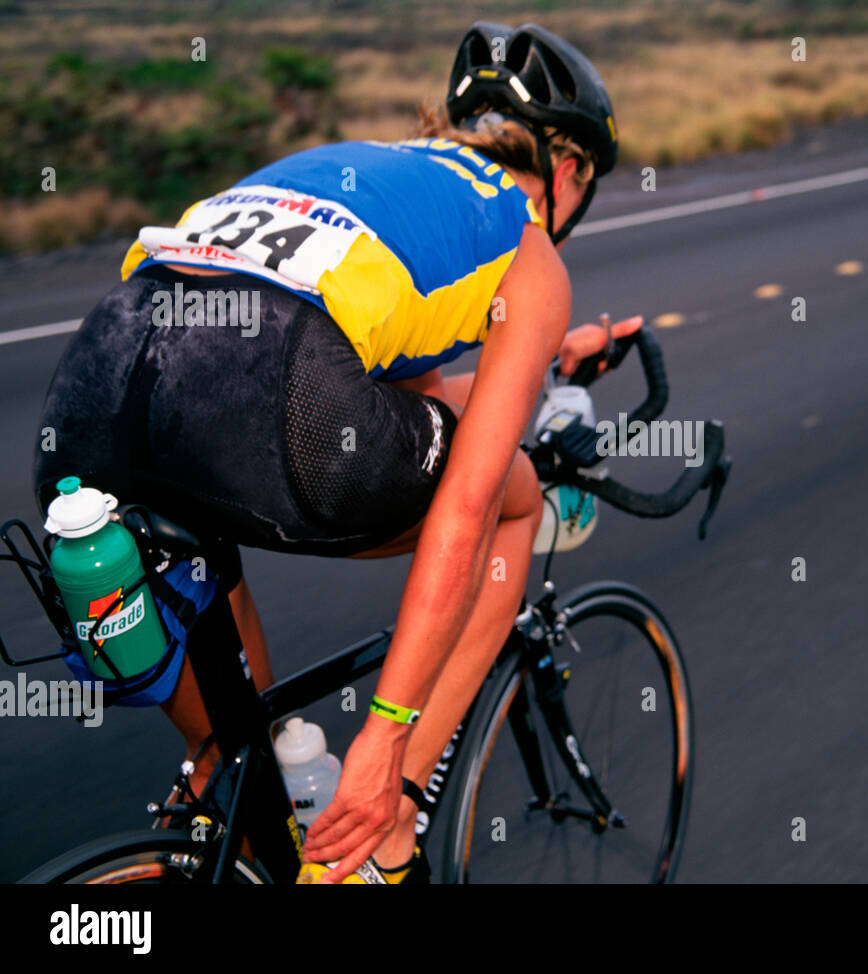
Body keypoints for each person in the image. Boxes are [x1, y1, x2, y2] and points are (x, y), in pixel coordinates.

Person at [32, 22, 641, 883]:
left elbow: (405, 387)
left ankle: (218, 787)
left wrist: (548, 356)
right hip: (278, 402)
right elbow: (462, 497)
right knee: (513, 499)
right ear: (569, 168)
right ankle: (386, 818)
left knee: (240, 765)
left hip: (95, 389)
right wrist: (385, 727)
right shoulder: (528, 248)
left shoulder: (359, 168)